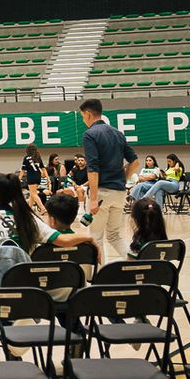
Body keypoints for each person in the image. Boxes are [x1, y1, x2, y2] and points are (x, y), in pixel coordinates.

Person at [78, 98, 135, 260]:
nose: (83, 120)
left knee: (96, 237)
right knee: (115, 236)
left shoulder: (90, 134)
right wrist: (123, 179)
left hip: (101, 193)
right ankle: (136, 264)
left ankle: (99, 278)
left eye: (83, 116)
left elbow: (93, 168)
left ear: (88, 114)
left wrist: (94, 199)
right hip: (119, 193)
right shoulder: (118, 133)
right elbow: (135, 162)